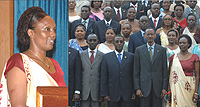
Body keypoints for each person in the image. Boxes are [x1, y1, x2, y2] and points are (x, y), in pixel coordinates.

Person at [0, 6, 66, 107]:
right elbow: (18, 105)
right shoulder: (19, 61)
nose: (53, 34)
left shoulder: (55, 64)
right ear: (31, 33)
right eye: (47, 29)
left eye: (54, 29)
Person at [134, 27, 168, 107]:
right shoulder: (139, 50)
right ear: (144, 36)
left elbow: (164, 71)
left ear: (155, 36)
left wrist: (164, 88)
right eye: (148, 34)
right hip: (143, 86)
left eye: (152, 34)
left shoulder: (162, 50)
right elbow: (136, 70)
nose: (150, 36)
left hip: (158, 86)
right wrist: (137, 88)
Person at [101, 34, 135, 107]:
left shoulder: (131, 56)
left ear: (124, 43)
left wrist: (133, 92)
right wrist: (105, 94)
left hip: (127, 94)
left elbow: (133, 75)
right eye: (117, 42)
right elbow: (104, 76)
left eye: (121, 42)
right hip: (112, 94)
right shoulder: (106, 57)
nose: (119, 43)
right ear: (113, 43)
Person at [167, 34, 199, 107]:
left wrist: (196, 92)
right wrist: (169, 91)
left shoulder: (194, 57)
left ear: (188, 44)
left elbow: (197, 76)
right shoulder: (173, 58)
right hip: (176, 88)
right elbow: (169, 75)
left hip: (190, 87)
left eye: (184, 43)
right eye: (180, 43)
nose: (182, 45)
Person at [80, 34, 104, 107]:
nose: (92, 42)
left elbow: (103, 75)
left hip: (96, 91)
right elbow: (78, 73)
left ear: (97, 42)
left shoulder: (103, 56)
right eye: (90, 40)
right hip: (84, 90)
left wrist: (102, 92)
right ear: (87, 42)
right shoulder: (81, 55)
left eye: (94, 40)